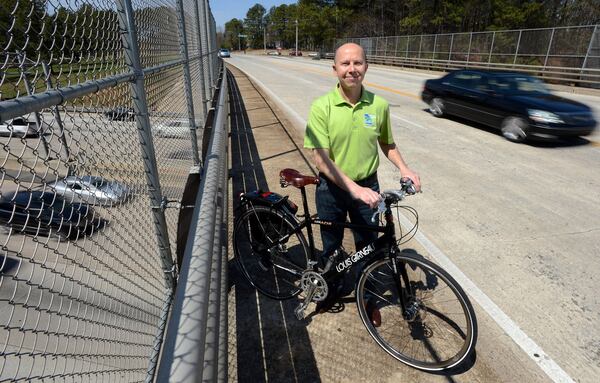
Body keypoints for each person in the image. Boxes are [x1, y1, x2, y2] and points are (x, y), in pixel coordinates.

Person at [303, 43, 421, 322]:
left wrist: (405, 168)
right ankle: (330, 289)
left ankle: (368, 299)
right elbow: (320, 159)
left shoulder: (378, 105)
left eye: (357, 63)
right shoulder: (322, 107)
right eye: (345, 64)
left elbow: (387, 143)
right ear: (335, 69)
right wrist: (353, 189)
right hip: (331, 189)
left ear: (366, 67)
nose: (351, 69)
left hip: (368, 184)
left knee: (368, 246)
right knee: (330, 246)